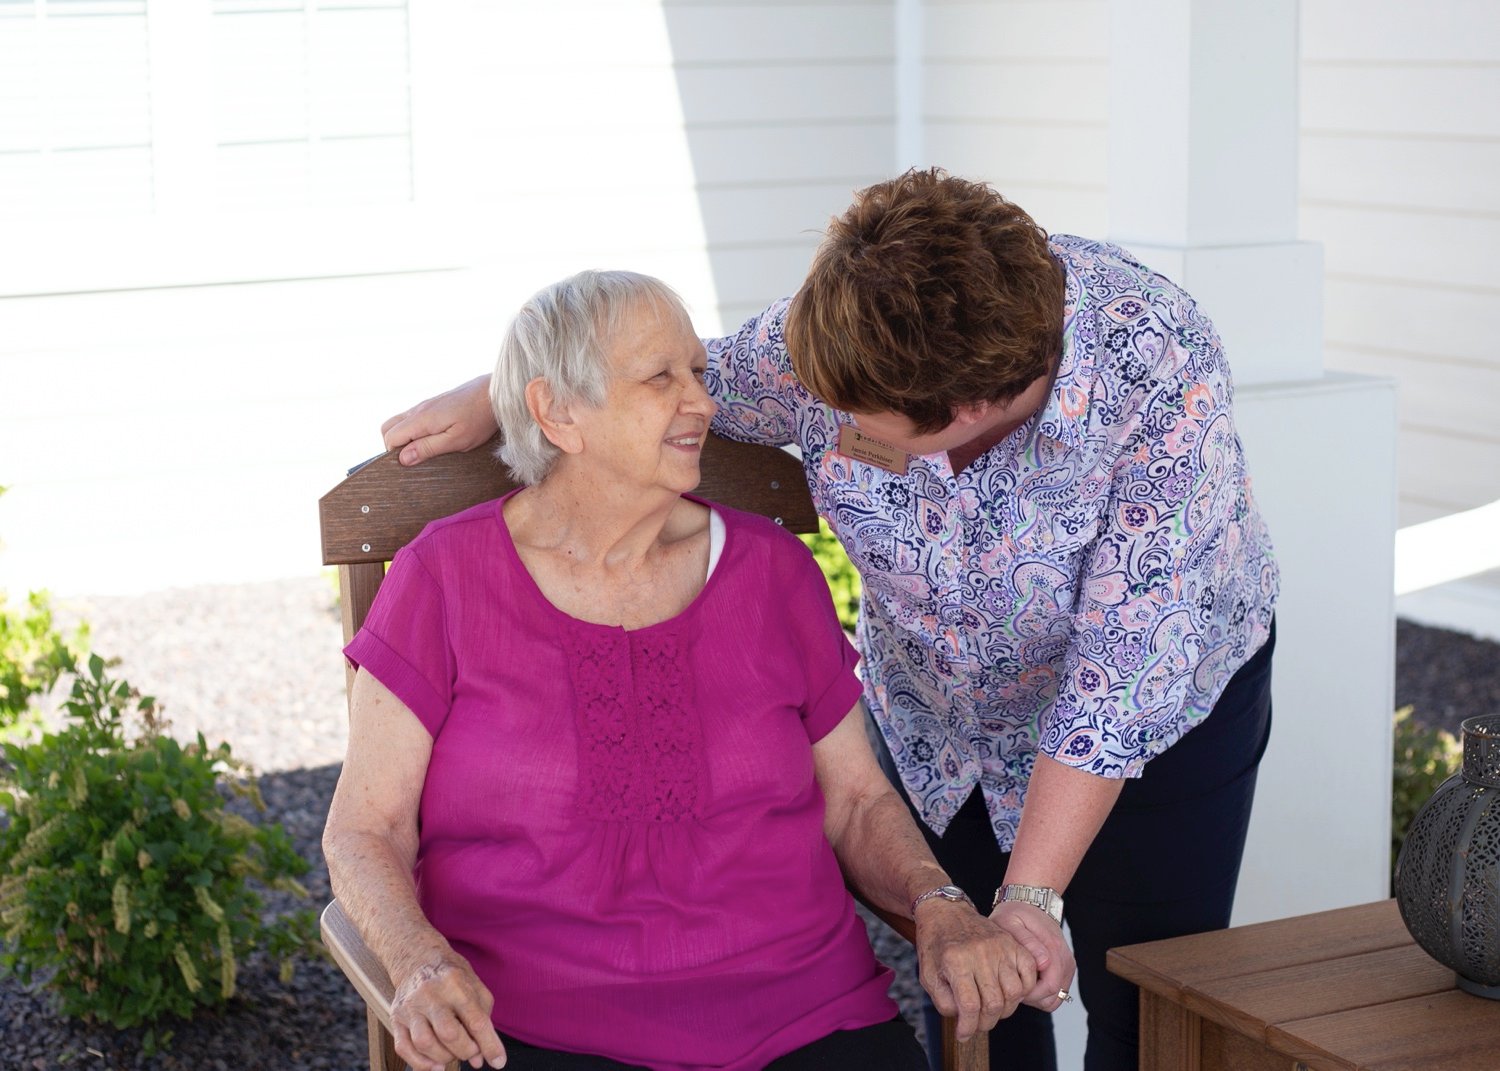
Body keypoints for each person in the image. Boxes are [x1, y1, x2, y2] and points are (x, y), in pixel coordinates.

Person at [379, 170, 1279, 1071]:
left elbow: (1115, 677)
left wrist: (1033, 895)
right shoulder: (843, 338)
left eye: (850, 415)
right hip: (945, 718)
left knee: (1147, 1011)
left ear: (960, 414)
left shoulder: (1158, 370)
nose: (821, 414)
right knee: (981, 1003)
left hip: (1152, 716)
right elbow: (667, 387)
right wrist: (505, 393)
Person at [323, 268, 1046, 1071]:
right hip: (537, 1027)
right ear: (558, 412)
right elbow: (364, 827)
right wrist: (420, 961)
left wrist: (937, 899)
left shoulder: (773, 572)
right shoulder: (444, 580)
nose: (702, 402)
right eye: (661, 377)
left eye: (699, 373)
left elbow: (856, 800)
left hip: (804, 1017)